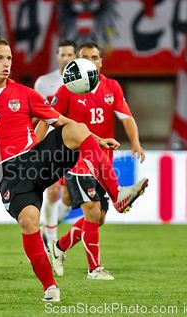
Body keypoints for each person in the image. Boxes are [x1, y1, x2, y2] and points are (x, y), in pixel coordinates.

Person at [0, 35, 148, 302]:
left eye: (9, 59)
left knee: (76, 127)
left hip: (36, 158)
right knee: (29, 222)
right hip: (9, 173)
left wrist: (97, 139)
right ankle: (50, 287)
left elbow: (59, 119)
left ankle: (118, 194)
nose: (6, 64)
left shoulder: (24, 93)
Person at [43, 41, 146, 280]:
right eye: (85, 57)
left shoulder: (111, 86)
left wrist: (136, 142)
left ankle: (58, 247)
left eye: (95, 57)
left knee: (98, 219)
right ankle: (95, 269)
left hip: (103, 163)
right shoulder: (67, 89)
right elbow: (49, 118)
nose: (91, 61)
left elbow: (126, 116)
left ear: (101, 61)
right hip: (76, 161)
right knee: (91, 211)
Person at [34, 39, 77, 247]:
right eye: (63, 54)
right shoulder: (43, 82)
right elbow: (37, 113)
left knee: (69, 198)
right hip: (53, 145)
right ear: (57, 56)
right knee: (52, 191)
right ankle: (50, 241)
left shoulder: (83, 81)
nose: (66, 58)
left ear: (75, 57)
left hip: (74, 145)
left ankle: (49, 223)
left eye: (70, 54)